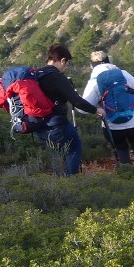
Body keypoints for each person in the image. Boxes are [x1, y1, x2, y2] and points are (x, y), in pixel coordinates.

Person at [32, 44, 103, 175]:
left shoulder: (36, 75)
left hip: (39, 125)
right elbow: (76, 101)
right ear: (63, 60)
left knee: (56, 154)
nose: (66, 67)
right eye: (66, 63)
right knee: (74, 149)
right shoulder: (57, 77)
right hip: (57, 124)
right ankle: (71, 183)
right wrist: (95, 110)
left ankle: (60, 185)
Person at [82, 51, 134, 166]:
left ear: (91, 65)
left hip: (112, 126)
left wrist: (97, 110)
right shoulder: (123, 74)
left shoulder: (94, 81)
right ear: (109, 61)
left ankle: (127, 176)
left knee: (122, 154)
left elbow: (82, 108)